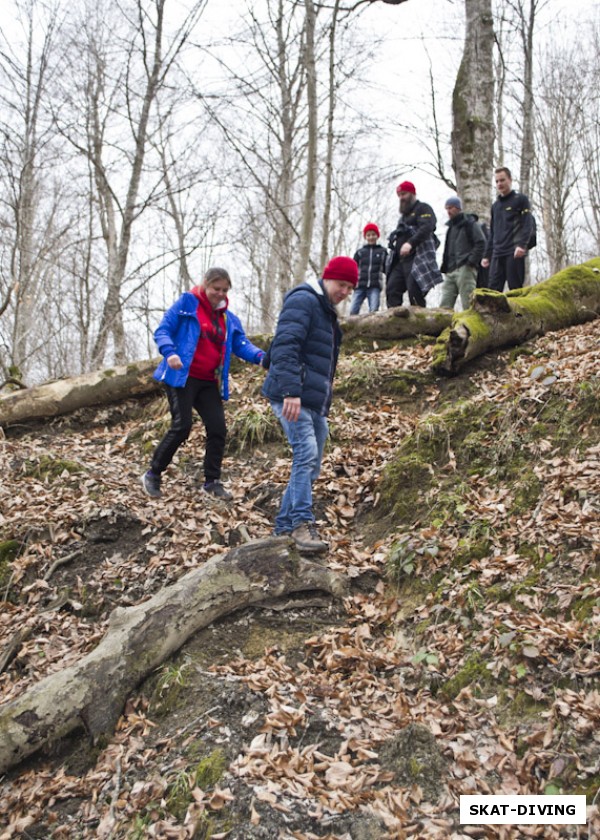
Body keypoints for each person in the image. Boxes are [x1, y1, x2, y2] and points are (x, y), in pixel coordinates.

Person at [141, 267, 266, 500]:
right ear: (205, 284)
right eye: (216, 289)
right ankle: (153, 473)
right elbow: (163, 330)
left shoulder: (228, 318)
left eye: (225, 290)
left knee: (218, 428)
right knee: (182, 426)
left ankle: (212, 482)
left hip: (209, 381)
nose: (220, 294)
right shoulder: (187, 304)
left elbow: (241, 344)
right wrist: (169, 352)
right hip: (181, 377)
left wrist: (261, 357)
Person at [261, 256, 357, 555]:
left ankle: (283, 528)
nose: (345, 292)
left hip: (312, 400)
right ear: (328, 278)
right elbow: (286, 344)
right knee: (306, 452)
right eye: (342, 284)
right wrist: (290, 390)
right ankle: (302, 523)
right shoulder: (304, 300)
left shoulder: (325, 311)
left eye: (350, 288)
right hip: (292, 395)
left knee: (313, 462)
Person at [386, 180, 442, 308]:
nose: (401, 198)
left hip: (417, 257)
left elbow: (427, 227)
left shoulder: (423, 208)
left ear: (412, 193)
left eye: (404, 194)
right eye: (399, 195)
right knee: (392, 288)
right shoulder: (402, 218)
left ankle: (420, 324)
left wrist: (410, 243)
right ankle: (394, 322)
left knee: (415, 291)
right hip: (400, 260)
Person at [481, 166, 534, 292]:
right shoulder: (495, 206)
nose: (499, 184)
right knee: (492, 290)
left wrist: (522, 245)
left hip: (514, 252)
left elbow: (528, 224)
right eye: (497, 181)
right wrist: (487, 255)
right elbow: (493, 232)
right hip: (497, 253)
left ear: (510, 180)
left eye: (502, 180)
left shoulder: (521, 200)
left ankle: (517, 312)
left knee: (515, 289)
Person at [439, 196, 486, 311]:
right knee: (444, 306)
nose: (448, 211)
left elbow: (481, 242)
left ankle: (472, 328)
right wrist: (445, 267)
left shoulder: (469, 223)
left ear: (458, 208)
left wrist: (470, 262)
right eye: (447, 208)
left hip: (465, 269)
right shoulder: (450, 228)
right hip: (451, 270)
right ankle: (443, 328)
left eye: (450, 208)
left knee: (468, 305)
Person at [349, 222, 387, 315]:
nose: (371, 237)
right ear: (365, 237)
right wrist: (351, 283)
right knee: (353, 310)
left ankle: (372, 329)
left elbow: (387, 268)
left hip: (375, 286)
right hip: (359, 285)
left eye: (373, 234)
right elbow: (353, 268)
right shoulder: (360, 252)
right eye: (368, 235)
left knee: (374, 310)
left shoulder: (382, 252)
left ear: (377, 236)